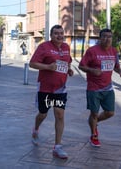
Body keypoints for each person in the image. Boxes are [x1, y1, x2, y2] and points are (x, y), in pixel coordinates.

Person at [29, 24, 74, 160]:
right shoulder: (43, 47)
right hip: (45, 88)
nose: (59, 36)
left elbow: (67, 62)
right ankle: (36, 129)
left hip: (61, 88)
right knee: (43, 114)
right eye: (56, 33)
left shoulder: (66, 47)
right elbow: (32, 64)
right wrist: (48, 67)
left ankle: (57, 147)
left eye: (61, 33)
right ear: (51, 35)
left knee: (59, 115)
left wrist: (69, 69)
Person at [78, 28, 121, 148]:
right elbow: (81, 66)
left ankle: (94, 123)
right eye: (104, 36)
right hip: (94, 88)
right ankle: (94, 135)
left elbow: (115, 66)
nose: (107, 39)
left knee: (110, 113)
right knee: (94, 114)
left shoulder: (114, 51)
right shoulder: (92, 51)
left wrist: (119, 71)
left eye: (109, 36)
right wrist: (92, 70)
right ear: (100, 38)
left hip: (108, 88)